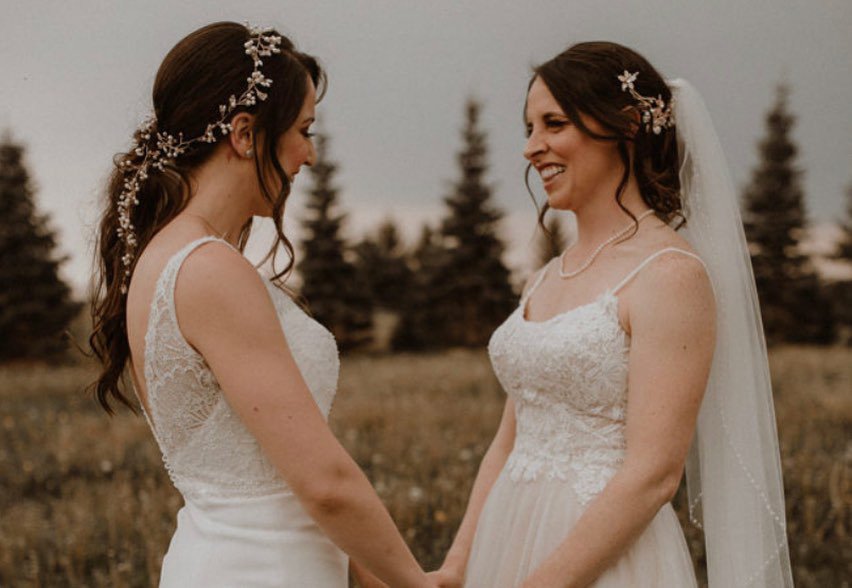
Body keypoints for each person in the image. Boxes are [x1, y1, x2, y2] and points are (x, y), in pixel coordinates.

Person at [430, 42, 793, 587]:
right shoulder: (546, 277)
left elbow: (653, 474)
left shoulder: (670, 273)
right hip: (507, 539)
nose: (532, 147)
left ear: (624, 126)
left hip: (602, 558)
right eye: (528, 128)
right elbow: (508, 442)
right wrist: (458, 567)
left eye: (554, 123)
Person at [89, 22, 431, 587]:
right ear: (245, 133)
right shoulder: (209, 269)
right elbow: (324, 482)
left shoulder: (167, 257)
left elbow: (276, 472)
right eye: (303, 129)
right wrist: (415, 584)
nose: (310, 155)